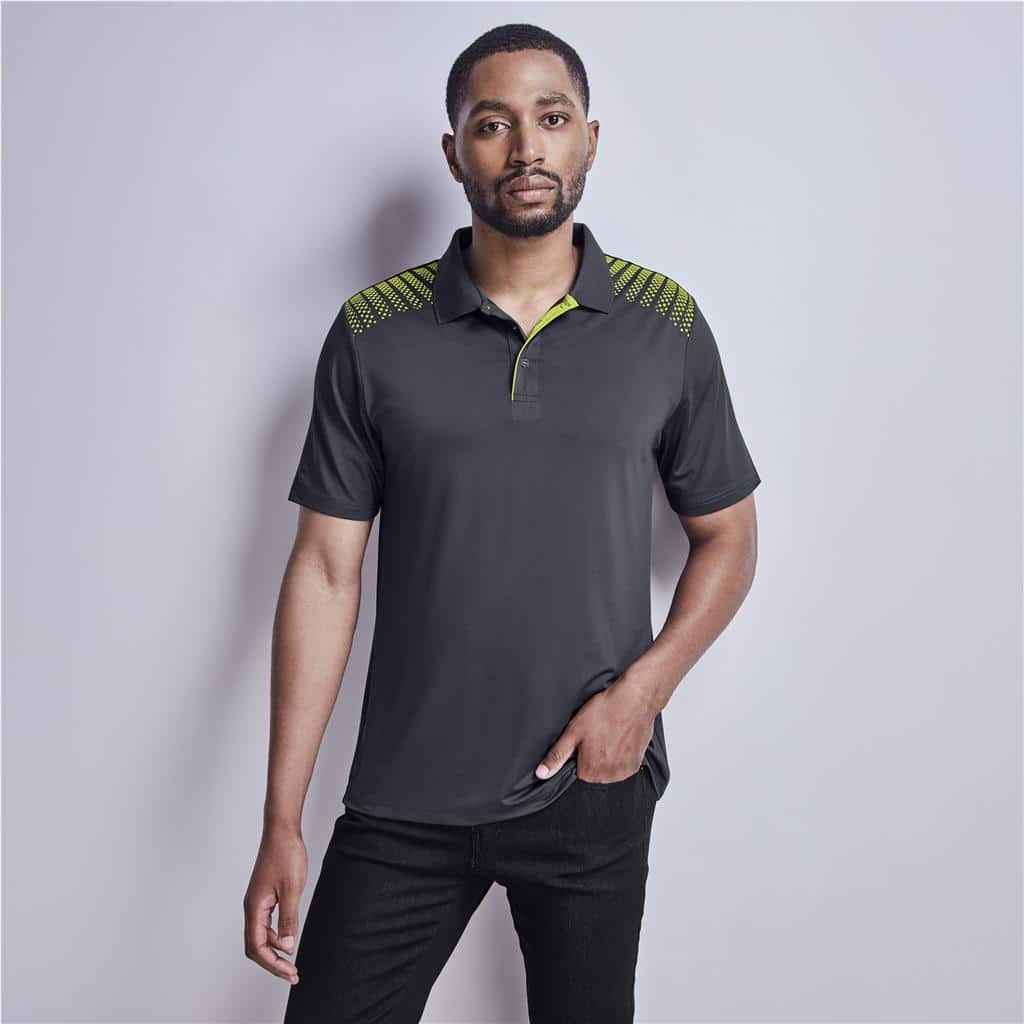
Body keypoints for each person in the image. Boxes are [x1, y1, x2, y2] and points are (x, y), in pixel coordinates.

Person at [244, 22, 762, 1024]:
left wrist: (641, 696)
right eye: (493, 124)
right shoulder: (371, 333)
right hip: (405, 799)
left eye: (551, 118)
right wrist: (281, 818)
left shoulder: (666, 326)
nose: (526, 147)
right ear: (455, 153)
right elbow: (324, 574)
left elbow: (729, 535)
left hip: (589, 786)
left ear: (589, 139)